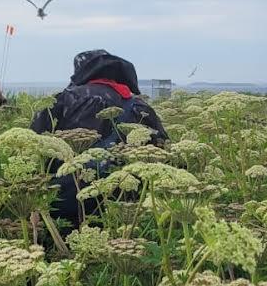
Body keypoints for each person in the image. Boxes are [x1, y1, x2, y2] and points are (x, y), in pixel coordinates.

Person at [30, 49, 168, 227]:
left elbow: (33, 146)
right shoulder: (139, 106)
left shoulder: (62, 100)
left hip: (60, 206)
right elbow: (163, 152)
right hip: (123, 210)